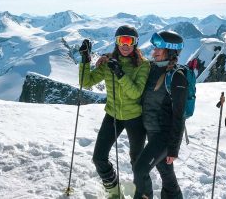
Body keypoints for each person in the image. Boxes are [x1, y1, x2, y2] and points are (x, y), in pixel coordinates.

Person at [79, 25, 150, 198]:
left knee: (137, 162)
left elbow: (135, 93)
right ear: (116, 42)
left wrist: (119, 72)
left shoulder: (143, 65)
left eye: (129, 40)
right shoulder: (108, 62)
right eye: (121, 40)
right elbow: (85, 82)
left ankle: (142, 195)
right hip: (112, 115)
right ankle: (114, 193)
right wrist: (85, 60)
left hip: (135, 117)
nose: (125, 45)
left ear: (135, 43)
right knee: (98, 157)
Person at [133, 30, 188, 199]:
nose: (154, 51)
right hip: (152, 131)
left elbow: (179, 116)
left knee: (140, 170)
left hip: (163, 136)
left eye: (159, 49)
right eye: (154, 48)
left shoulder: (177, 77)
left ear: (170, 51)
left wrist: (173, 148)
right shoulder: (152, 69)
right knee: (166, 173)